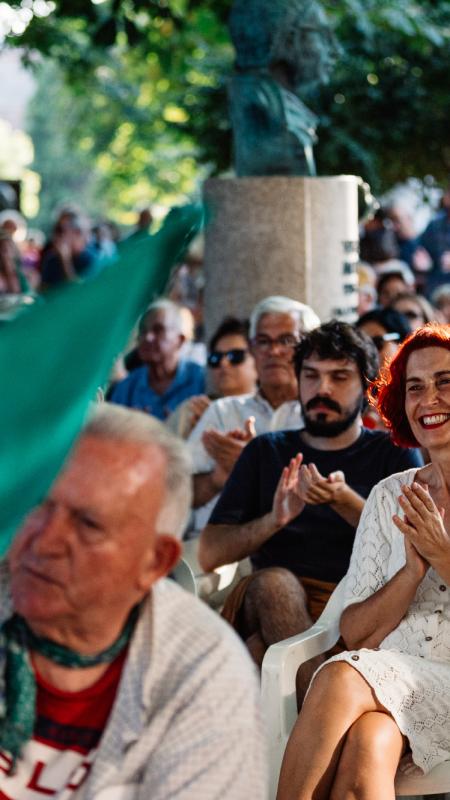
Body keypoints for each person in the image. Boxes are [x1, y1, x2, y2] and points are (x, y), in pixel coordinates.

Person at [0, 404, 266, 799]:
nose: (45, 541)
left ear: (153, 562)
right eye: (38, 504)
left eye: (88, 524)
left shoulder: (203, 673)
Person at [277, 323, 450, 800]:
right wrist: (411, 572)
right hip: (392, 682)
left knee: (338, 674)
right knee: (366, 747)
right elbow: (356, 633)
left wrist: (441, 554)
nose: (429, 399)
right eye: (414, 387)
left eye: (445, 382)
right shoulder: (390, 495)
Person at [200, 321, 422, 668]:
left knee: (259, 654)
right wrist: (274, 520)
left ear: (367, 387)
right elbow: (209, 554)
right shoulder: (265, 451)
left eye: (339, 377)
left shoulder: (393, 452)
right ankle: (321, 690)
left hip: (360, 605)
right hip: (273, 596)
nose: (322, 389)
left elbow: (412, 547)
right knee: (275, 584)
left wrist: (345, 502)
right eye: (311, 376)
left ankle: (310, 691)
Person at [188, 295, 320, 535]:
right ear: (252, 349)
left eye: (287, 340)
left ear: (311, 349)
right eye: (263, 341)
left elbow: (327, 499)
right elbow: (179, 494)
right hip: (213, 546)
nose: (274, 351)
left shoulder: (323, 416)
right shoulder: (223, 411)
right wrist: (218, 478)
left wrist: (252, 464)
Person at [109, 299, 205, 420]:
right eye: (143, 331)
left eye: (158, 330)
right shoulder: (126, 388)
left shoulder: (201, 379)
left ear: (180, 340)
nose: (148, 337)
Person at [166, 316, 257, 439]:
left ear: (258, 359)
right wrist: (192, 434)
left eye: (235, 356)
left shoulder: (271, 411)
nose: (224, 363)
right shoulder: (192, 410)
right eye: (215, 358)